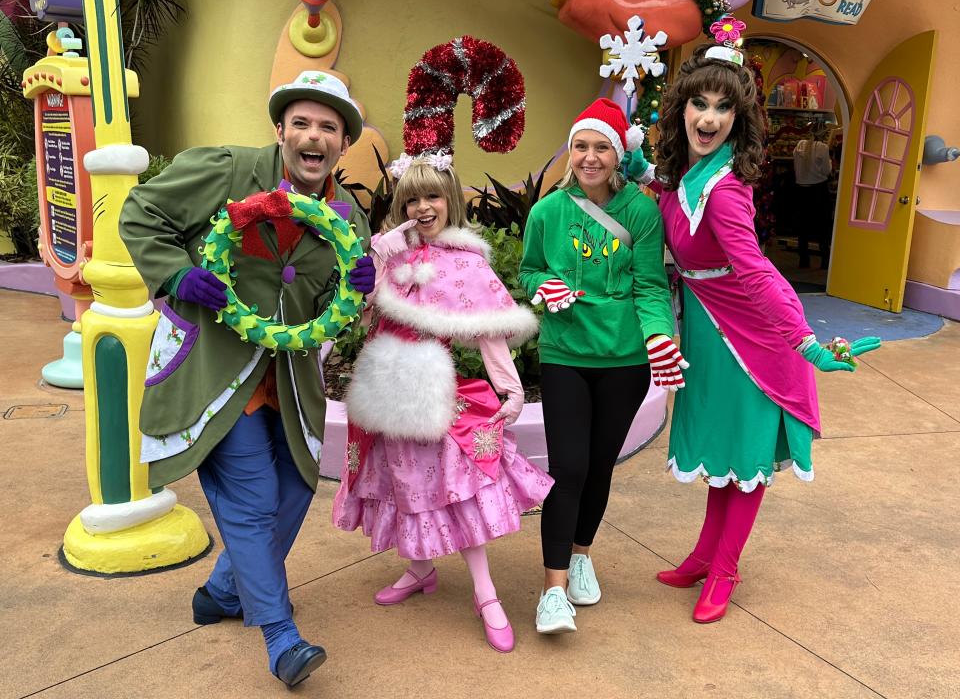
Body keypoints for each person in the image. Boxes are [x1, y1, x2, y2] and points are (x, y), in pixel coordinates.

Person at [119, 71, 373, 687]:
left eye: (329, 128)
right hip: (217, 373)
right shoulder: (229, 170)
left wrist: (359, 293)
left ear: (342, 144)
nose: (314, 137)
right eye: (303, 123)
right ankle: (280, 636)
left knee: (294, 492)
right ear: (281, 130)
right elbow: (140, 211)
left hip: (287, 385)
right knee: (252, 500)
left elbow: (330, 312)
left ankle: (223, 590)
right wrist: (177, 274)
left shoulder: (348, 220)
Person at [643, 27, 880, 623]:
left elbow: (756, 272)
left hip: (749, 338)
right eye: (700, 102)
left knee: (745, 455)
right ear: (682, 109)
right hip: (709, 326)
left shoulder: (723, 190)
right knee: (723, 449)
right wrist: (630, 162)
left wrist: (803, 342)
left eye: (725, 107)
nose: (710, 117)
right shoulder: (684, 175)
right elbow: (661, 186)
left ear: (739, 118)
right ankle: (704, 554)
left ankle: (724, 568)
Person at [331, 157, 552, 653]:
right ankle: (421, 569)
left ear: (450, 200)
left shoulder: (467, 263)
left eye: (432, 196)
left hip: (432, 395)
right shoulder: (389, 253)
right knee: (405, 487)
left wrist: (510, 388)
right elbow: (360, 319)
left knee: (455, 490)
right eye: (412, 198)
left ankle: (486, 595)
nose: (422, 207)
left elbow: (489, 330)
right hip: (384, 390)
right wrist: (375, 265)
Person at [519, 98, 684, 635]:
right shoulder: (547, 212)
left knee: (598, 465)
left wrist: (660, 336)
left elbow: (651, 285)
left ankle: (583, 553)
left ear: (619, 154)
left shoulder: (640, 210)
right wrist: (541, 288)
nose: (590, 157)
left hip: (626, 360)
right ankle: (553, 591)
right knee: (568, 468)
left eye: (602, 147)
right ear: (571, 152)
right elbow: (529, 270)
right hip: (566, 355)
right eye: (581, 146)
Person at [793, 125, 834, 269]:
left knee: (803, 226)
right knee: (823, 225)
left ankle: (803, 260)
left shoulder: (799, 145)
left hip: (801, 190)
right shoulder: (822, 147)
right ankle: (825, 260)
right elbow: (826, 171)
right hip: (818, 189)